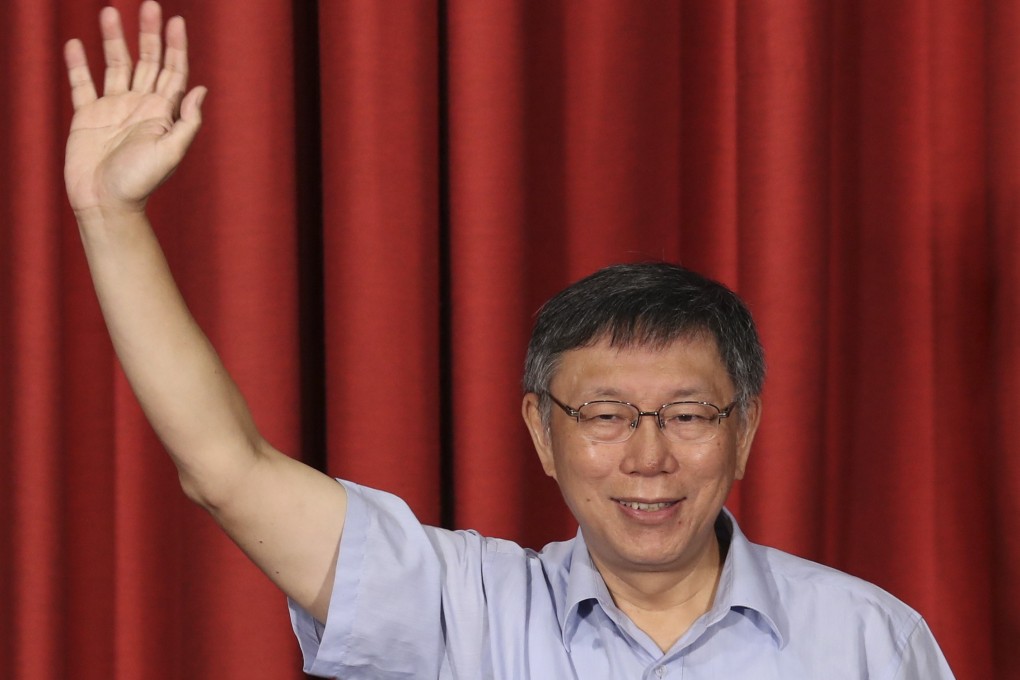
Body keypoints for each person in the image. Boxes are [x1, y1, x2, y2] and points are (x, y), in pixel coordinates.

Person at [64, 3, 956, 678]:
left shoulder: (867, 640)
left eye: (688, 415)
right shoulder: (461, 610)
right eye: (605, 415)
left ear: (745, 428)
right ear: (542, 430)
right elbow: (226, 471)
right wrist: (111, 218)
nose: (649, 458)